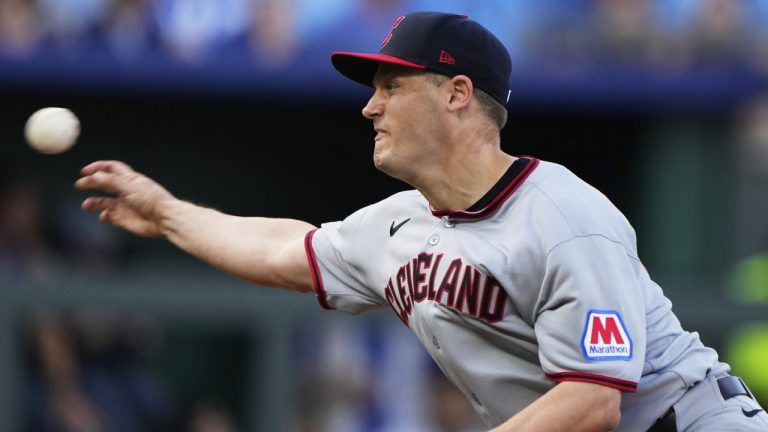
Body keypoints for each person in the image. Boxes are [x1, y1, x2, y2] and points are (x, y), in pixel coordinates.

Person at [75, 11, 768, 432]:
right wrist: (169, 213)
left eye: (391, 86)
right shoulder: (399, 224)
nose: (370, 107)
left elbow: (592, 402)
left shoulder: (565, 215)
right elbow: (286, 249)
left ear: (457, 94)